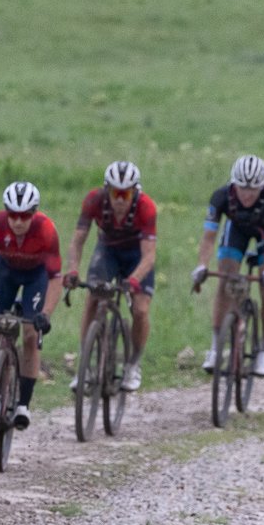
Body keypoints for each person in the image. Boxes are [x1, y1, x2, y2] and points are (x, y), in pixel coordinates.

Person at [0, 181, 63, 430]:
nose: (19, 222)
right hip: (5, 273)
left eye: (25, 216)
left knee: (31, 335)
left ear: (34, 213)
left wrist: (46, 314)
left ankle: (23, 405)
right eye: (13, 215)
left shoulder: (46, 230)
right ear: (6, 212)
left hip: (36, 277)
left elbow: (55, 278)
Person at [63, 160, 158, 391]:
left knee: (140, 309)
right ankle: (85, 365)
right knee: (93, 297)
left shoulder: (146, 207)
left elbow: (149, 256)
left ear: (136, 192)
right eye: (115, 193)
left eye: (125, 195)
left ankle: (133, 363)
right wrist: (73, 270)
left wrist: (134, 280)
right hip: (108, 249)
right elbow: (77, 240)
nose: (119, 200)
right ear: (107, 190)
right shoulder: (94, 200)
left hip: (137, 254)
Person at [191, 154, 264, 377]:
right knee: (225, 281)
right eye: (242, 188)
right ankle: (216, 347)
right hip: (236, 233)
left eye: (254, 189)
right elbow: (209, 238)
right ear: (233, 184)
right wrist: (202, 266)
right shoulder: (221, 197)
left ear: (263, 186)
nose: (247, 194)